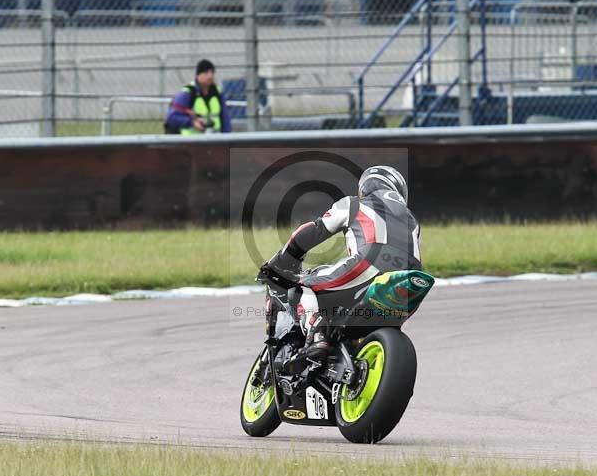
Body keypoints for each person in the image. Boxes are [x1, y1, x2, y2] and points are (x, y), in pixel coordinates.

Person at [265, 166, 421, 369]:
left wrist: (284, 259)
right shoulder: (412, 220)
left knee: (301, 286)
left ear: (366, 187)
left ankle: (318, 335)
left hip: (367, 265)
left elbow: (316, 230)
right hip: (409, 280)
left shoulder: (354, 204)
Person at [164, 59, 232, 134]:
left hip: (215, 140)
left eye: (212, 72)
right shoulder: (187, 93)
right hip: (191, 142)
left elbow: (225, 117)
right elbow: (172, 118)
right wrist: (192, 123)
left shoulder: (217, 92)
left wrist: (227, 137)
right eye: (206, 73)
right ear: (198, 75)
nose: (210, 76)